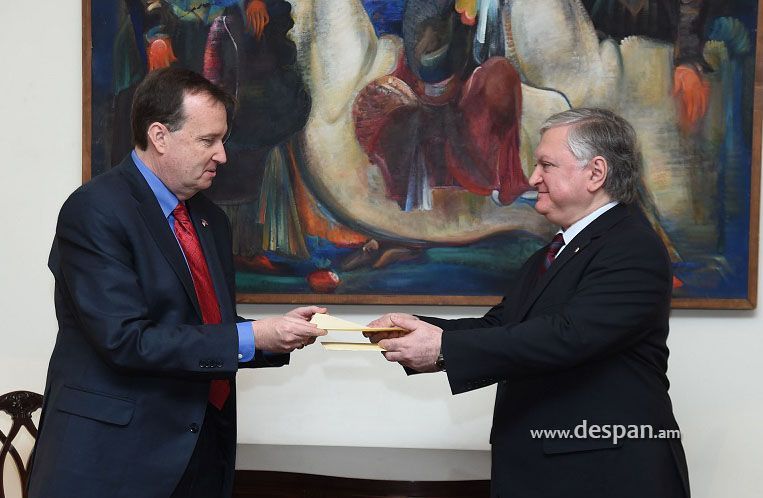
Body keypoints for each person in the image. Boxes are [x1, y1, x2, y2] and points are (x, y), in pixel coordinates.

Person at [27, 67, 327, 498]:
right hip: (110, 462)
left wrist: (276, 335)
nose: (222, 155)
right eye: (208, 140)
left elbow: (205, 327)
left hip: (198, 452)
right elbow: (126, 340)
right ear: (159, 136)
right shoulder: (94, 210)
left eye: (222, 140)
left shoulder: (210, 219)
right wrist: (253, 335)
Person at [368, 108, 690, 498]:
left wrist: (443, 348)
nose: (532, 178)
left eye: (546, 165)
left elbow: (569, 335)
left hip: (605, 474)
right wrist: (419, 329)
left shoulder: (631, 244)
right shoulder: (553, 252)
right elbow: (504, 325)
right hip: (554, 469)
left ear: (595, 173)